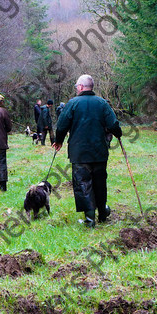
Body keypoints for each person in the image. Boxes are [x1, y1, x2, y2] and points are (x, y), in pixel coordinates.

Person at [53, 75, 122, 228]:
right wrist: (118, 133)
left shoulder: (72, 103)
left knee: (83, 184)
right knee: (100, 182)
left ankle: (90, 220)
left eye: (77, 85)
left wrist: (58, 140)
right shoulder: (102, 103)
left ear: (81, 87)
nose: (76, 88)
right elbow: (113, 124)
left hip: (80, 153)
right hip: (99, 152)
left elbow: (62, 125)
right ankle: (103, 214)